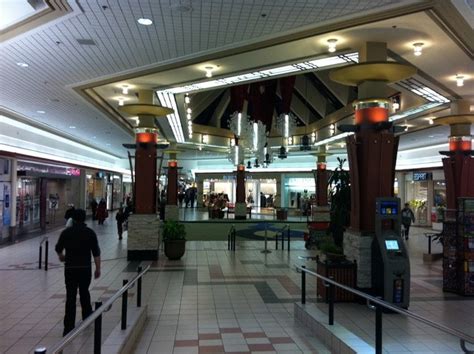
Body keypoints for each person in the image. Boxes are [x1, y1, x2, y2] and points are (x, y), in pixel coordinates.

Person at [55, 209, 101, 336]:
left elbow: (58, 248)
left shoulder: (67, 232)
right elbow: (96, 253)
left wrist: (61, 256)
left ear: (73, 219)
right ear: (84, 218)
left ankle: (68, 327)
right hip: (85, 268)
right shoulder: (90, 233)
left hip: (70, 268)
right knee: (84, 292)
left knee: (70, 296)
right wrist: (98, 268)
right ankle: (87, 317)